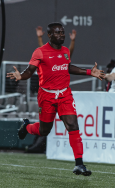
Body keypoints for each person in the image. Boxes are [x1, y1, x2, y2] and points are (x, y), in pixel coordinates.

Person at [7, 22, 105, 176]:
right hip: (46, 95)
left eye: (63, 32)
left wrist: (88, 72)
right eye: (58, 32)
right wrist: (21, 76)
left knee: (73, 125)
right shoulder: (40, 52)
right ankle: (26, 127)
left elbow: (68, 67)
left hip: (64, 94)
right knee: (44, 131)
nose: (62, 35)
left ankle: (79, 164)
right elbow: (29, 71)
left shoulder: (65, 51)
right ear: (50, 35)